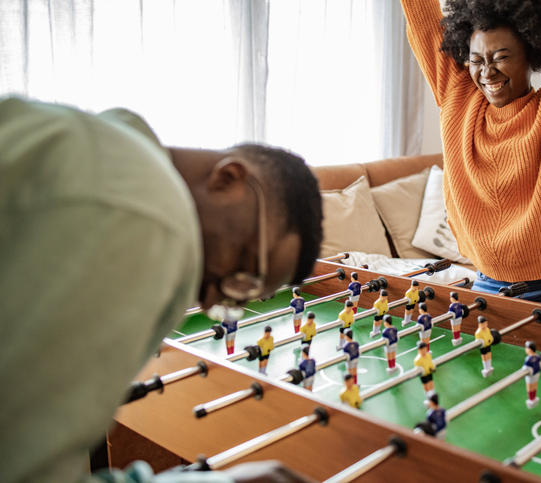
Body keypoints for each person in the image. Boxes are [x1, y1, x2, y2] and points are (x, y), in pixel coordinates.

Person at [0, 97, 323, 483]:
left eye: (235, 297)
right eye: (243, 267)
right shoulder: (149, 214)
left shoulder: (105, 153)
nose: (207, 300)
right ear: (229, 178)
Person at [400, 0, 541, 314]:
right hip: (489, 284)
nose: (487, 71)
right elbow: (422, 21)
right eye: (477, 59)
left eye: (501, 57)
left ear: (531, 55)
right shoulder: (459, 99)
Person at [522, 341, 541, 409]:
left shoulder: (528, 359)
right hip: (537, 374)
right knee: (534, 385)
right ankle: (533, 398)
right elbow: (540, 364)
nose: (525, 349)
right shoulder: (537, 356)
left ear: (530, 349)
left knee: (530, 387)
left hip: (530, 376)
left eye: (526, 348)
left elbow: (524, 368)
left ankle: (531, 399)